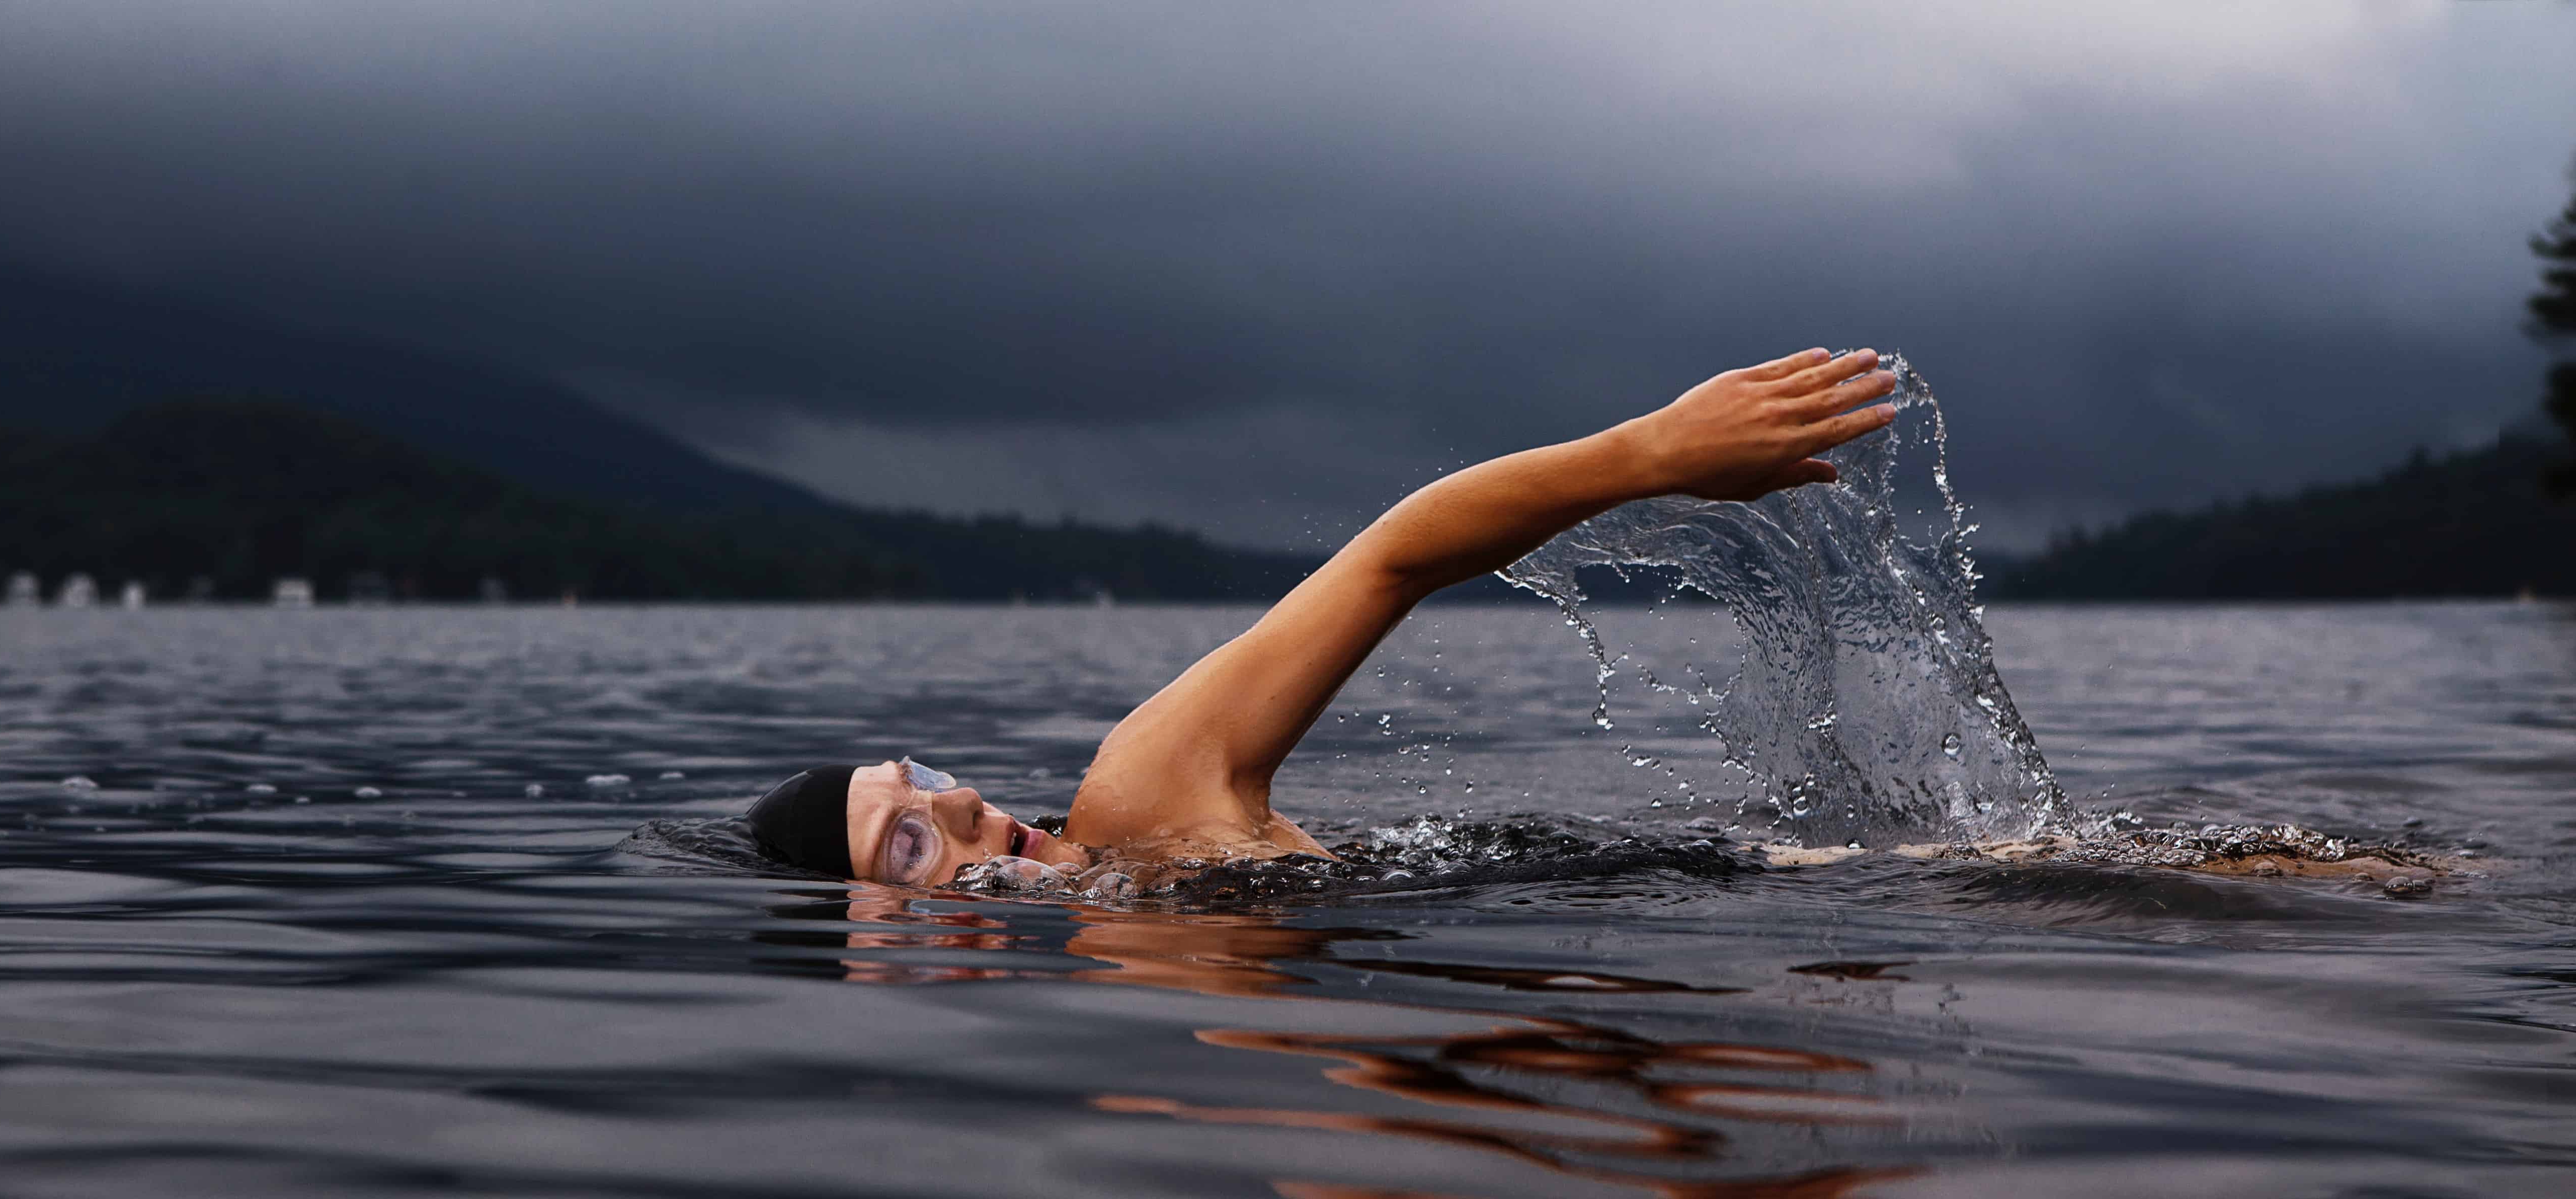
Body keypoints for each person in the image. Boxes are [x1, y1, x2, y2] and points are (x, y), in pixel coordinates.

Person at [747, 348, 1900, 888]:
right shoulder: (1130, 1009)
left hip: (1835, 886)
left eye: (923, 778)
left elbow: (1389, 561)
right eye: (907, 840)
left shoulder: (1142, 802)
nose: (957, 800)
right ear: (876, 948)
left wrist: (1647, 455)